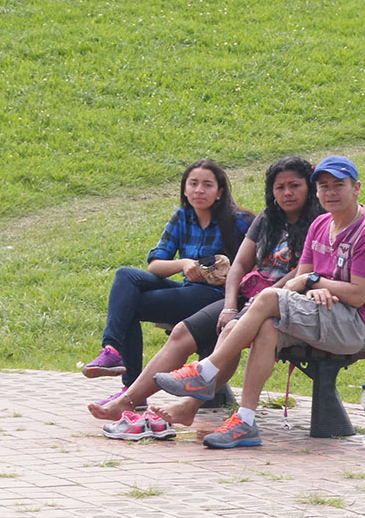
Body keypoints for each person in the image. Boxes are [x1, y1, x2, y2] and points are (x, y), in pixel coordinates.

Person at [155, 155, 365, 449]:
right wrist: (314, 284)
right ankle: (244, 421)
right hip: (319, 311)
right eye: (324, 186)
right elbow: (299, 280)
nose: (330, 192)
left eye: (338, 185)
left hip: (351, 326)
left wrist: (316, 282)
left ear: (356, 188)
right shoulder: (320, 224)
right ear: (317, 192)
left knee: (268, 297)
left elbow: (356, 295)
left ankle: (205, 371)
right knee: (267, 325)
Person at [89, 157, 324, 434]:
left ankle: (187, 407)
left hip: (279, 304)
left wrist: (258, 300)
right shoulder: (266, 219)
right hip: (240, 298)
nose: (286, 193)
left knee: (230, 333)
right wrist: (227, 305)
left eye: (294, 186)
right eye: (279, 187)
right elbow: (239, 265)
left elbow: (300, 271)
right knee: (181, 332)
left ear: (309, 188)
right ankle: (126, 400)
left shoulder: (316, 224)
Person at [80, 160, 253, 398]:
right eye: (193, 184)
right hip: (187, 289)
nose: (199, 190)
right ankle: (111, 350)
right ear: (184, 189)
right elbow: (155, 265)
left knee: (130, 306)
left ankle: (130, 390)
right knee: (125, 275)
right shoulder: (183, 216)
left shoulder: (239, 221)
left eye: (207, 185)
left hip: (218, 297)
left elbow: (254, 263)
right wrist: (183, 263)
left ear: (220, 191)